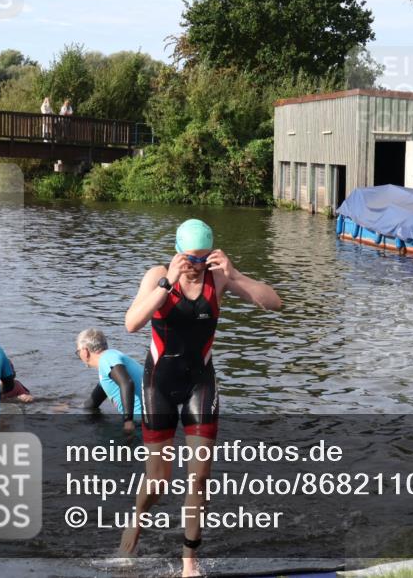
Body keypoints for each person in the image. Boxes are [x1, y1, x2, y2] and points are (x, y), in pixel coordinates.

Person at [120, 219, 281, 576]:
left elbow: (274, 303)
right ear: (178, 252)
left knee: (199, 478)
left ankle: (188, 561)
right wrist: (168, 282)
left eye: (203, 258)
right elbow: (132, 323)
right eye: (191, 258)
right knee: (158, 480)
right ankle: (137, 519)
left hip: (200, 384)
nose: (196, 266)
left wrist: (235, 275)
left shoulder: (218, 278)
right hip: (158, 384)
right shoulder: (158, 275)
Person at [76, 328, 143, 432]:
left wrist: (128, 421)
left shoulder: (107, 359)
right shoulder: (109, 364)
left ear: (85, 351)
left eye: (78, 352)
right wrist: (67, 407)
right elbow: (91, 404)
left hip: (142, 421)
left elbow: (127, 383)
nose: (79, 355)